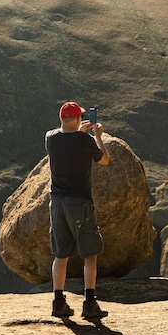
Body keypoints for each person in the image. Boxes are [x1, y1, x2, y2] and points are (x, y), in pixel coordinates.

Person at [46, 101, 110, 320]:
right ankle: (89, 304)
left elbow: (67, 139)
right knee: (90, 254)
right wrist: (98, 136)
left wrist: (80, 133)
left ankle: (58, 302)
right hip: (79, 202)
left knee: (60, 254)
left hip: (56, 203)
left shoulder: (50, 138)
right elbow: (104, 160)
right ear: (75, 119)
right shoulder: (86, 140)